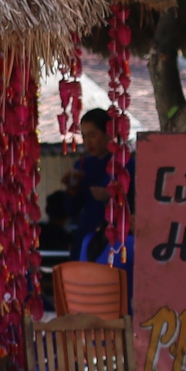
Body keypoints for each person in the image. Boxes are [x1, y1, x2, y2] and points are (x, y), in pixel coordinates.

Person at [71, 107, 115, 261]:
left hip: (113, 238)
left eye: (92, 135)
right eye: (84, 136)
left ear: (108, 134)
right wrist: (72, 189)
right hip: (86, 232)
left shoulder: (125, 164)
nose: (87, 141)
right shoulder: (82, 165)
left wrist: (110, 198)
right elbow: (71, 209)